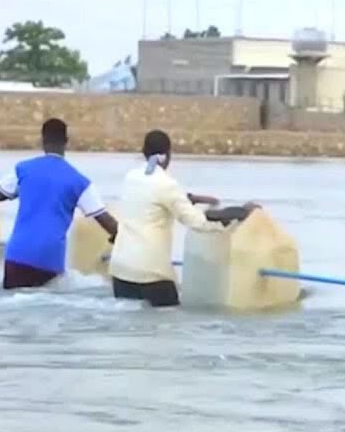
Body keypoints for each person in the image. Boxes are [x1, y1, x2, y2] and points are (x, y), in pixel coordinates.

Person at [108, 129, 261, 307]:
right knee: (167, 328)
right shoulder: (167, 184)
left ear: (143, 152)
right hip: (150, 274)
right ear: (168, 154)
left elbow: (151, 200)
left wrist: (188, 198)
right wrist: (240, 212)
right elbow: (198, 222)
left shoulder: (131, 177)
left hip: (121, 270)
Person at [0, 118, 118, 290]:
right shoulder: (79, 181)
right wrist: (122, 237)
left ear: (42, 140)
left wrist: (23, 188)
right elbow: (105, 220)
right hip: (49, 261)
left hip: (17, 255)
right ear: (66, 142)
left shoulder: (22, 169)